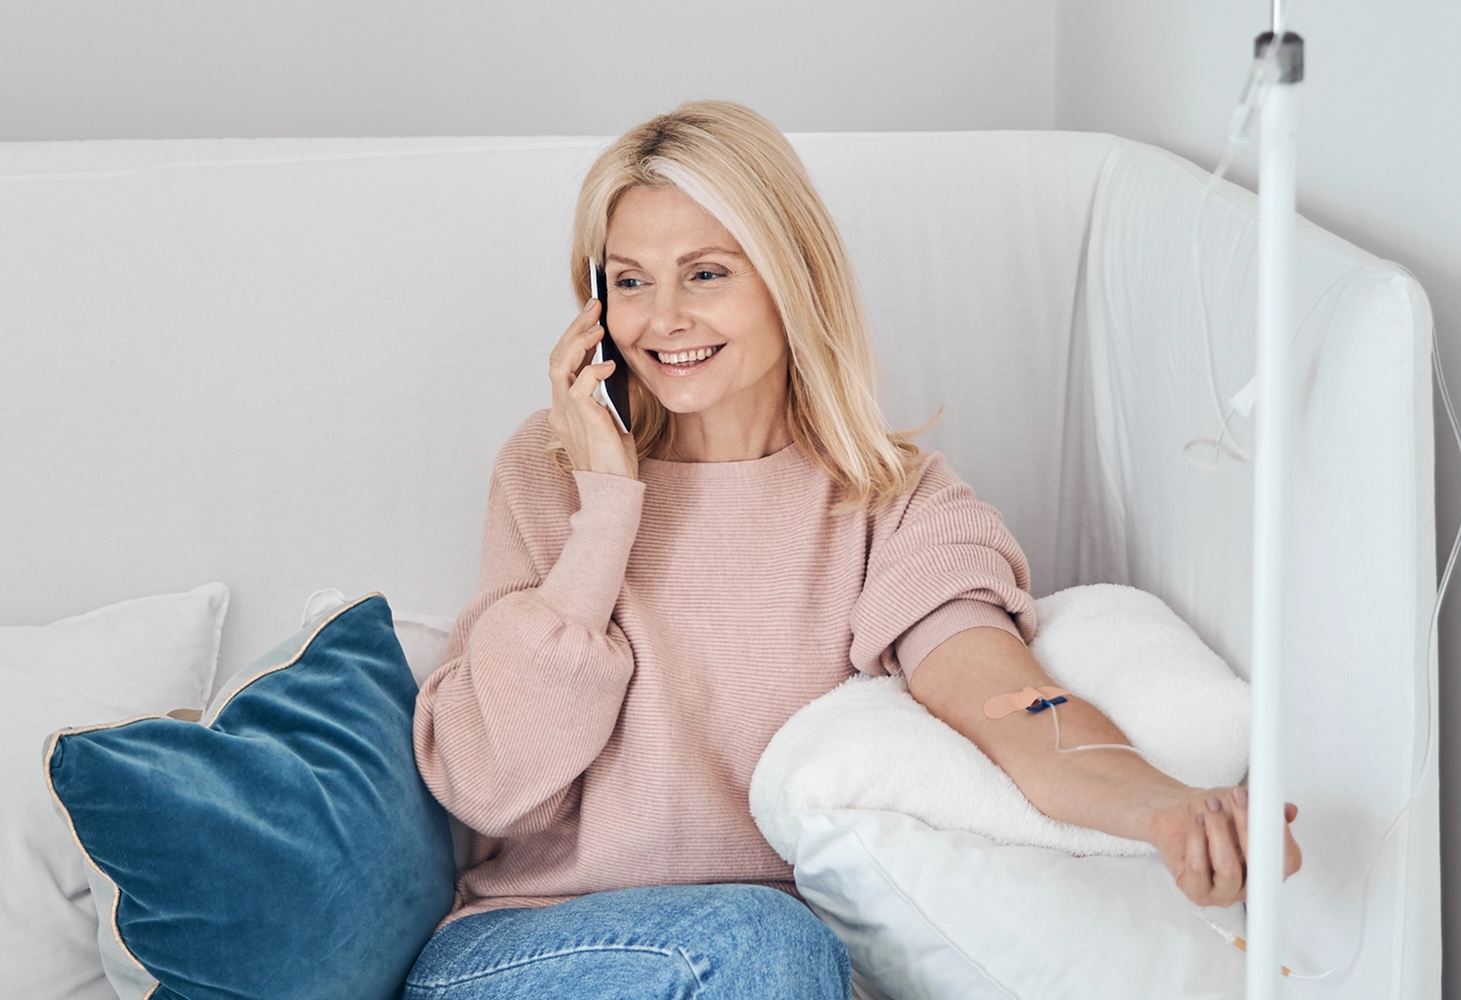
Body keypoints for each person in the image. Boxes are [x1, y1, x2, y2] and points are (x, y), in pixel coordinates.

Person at [404, 100, 1302, 1000]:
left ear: (789, 280)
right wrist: (606, 513)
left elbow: (1013, 705)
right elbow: (486, 783)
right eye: (630, 283)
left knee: (776, 946)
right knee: (762, 941)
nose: (662, 319)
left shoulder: (891, 504)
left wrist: (1167, 809)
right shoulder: (550, 472)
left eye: (705, 273)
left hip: (784, 971)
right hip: (530, 953)